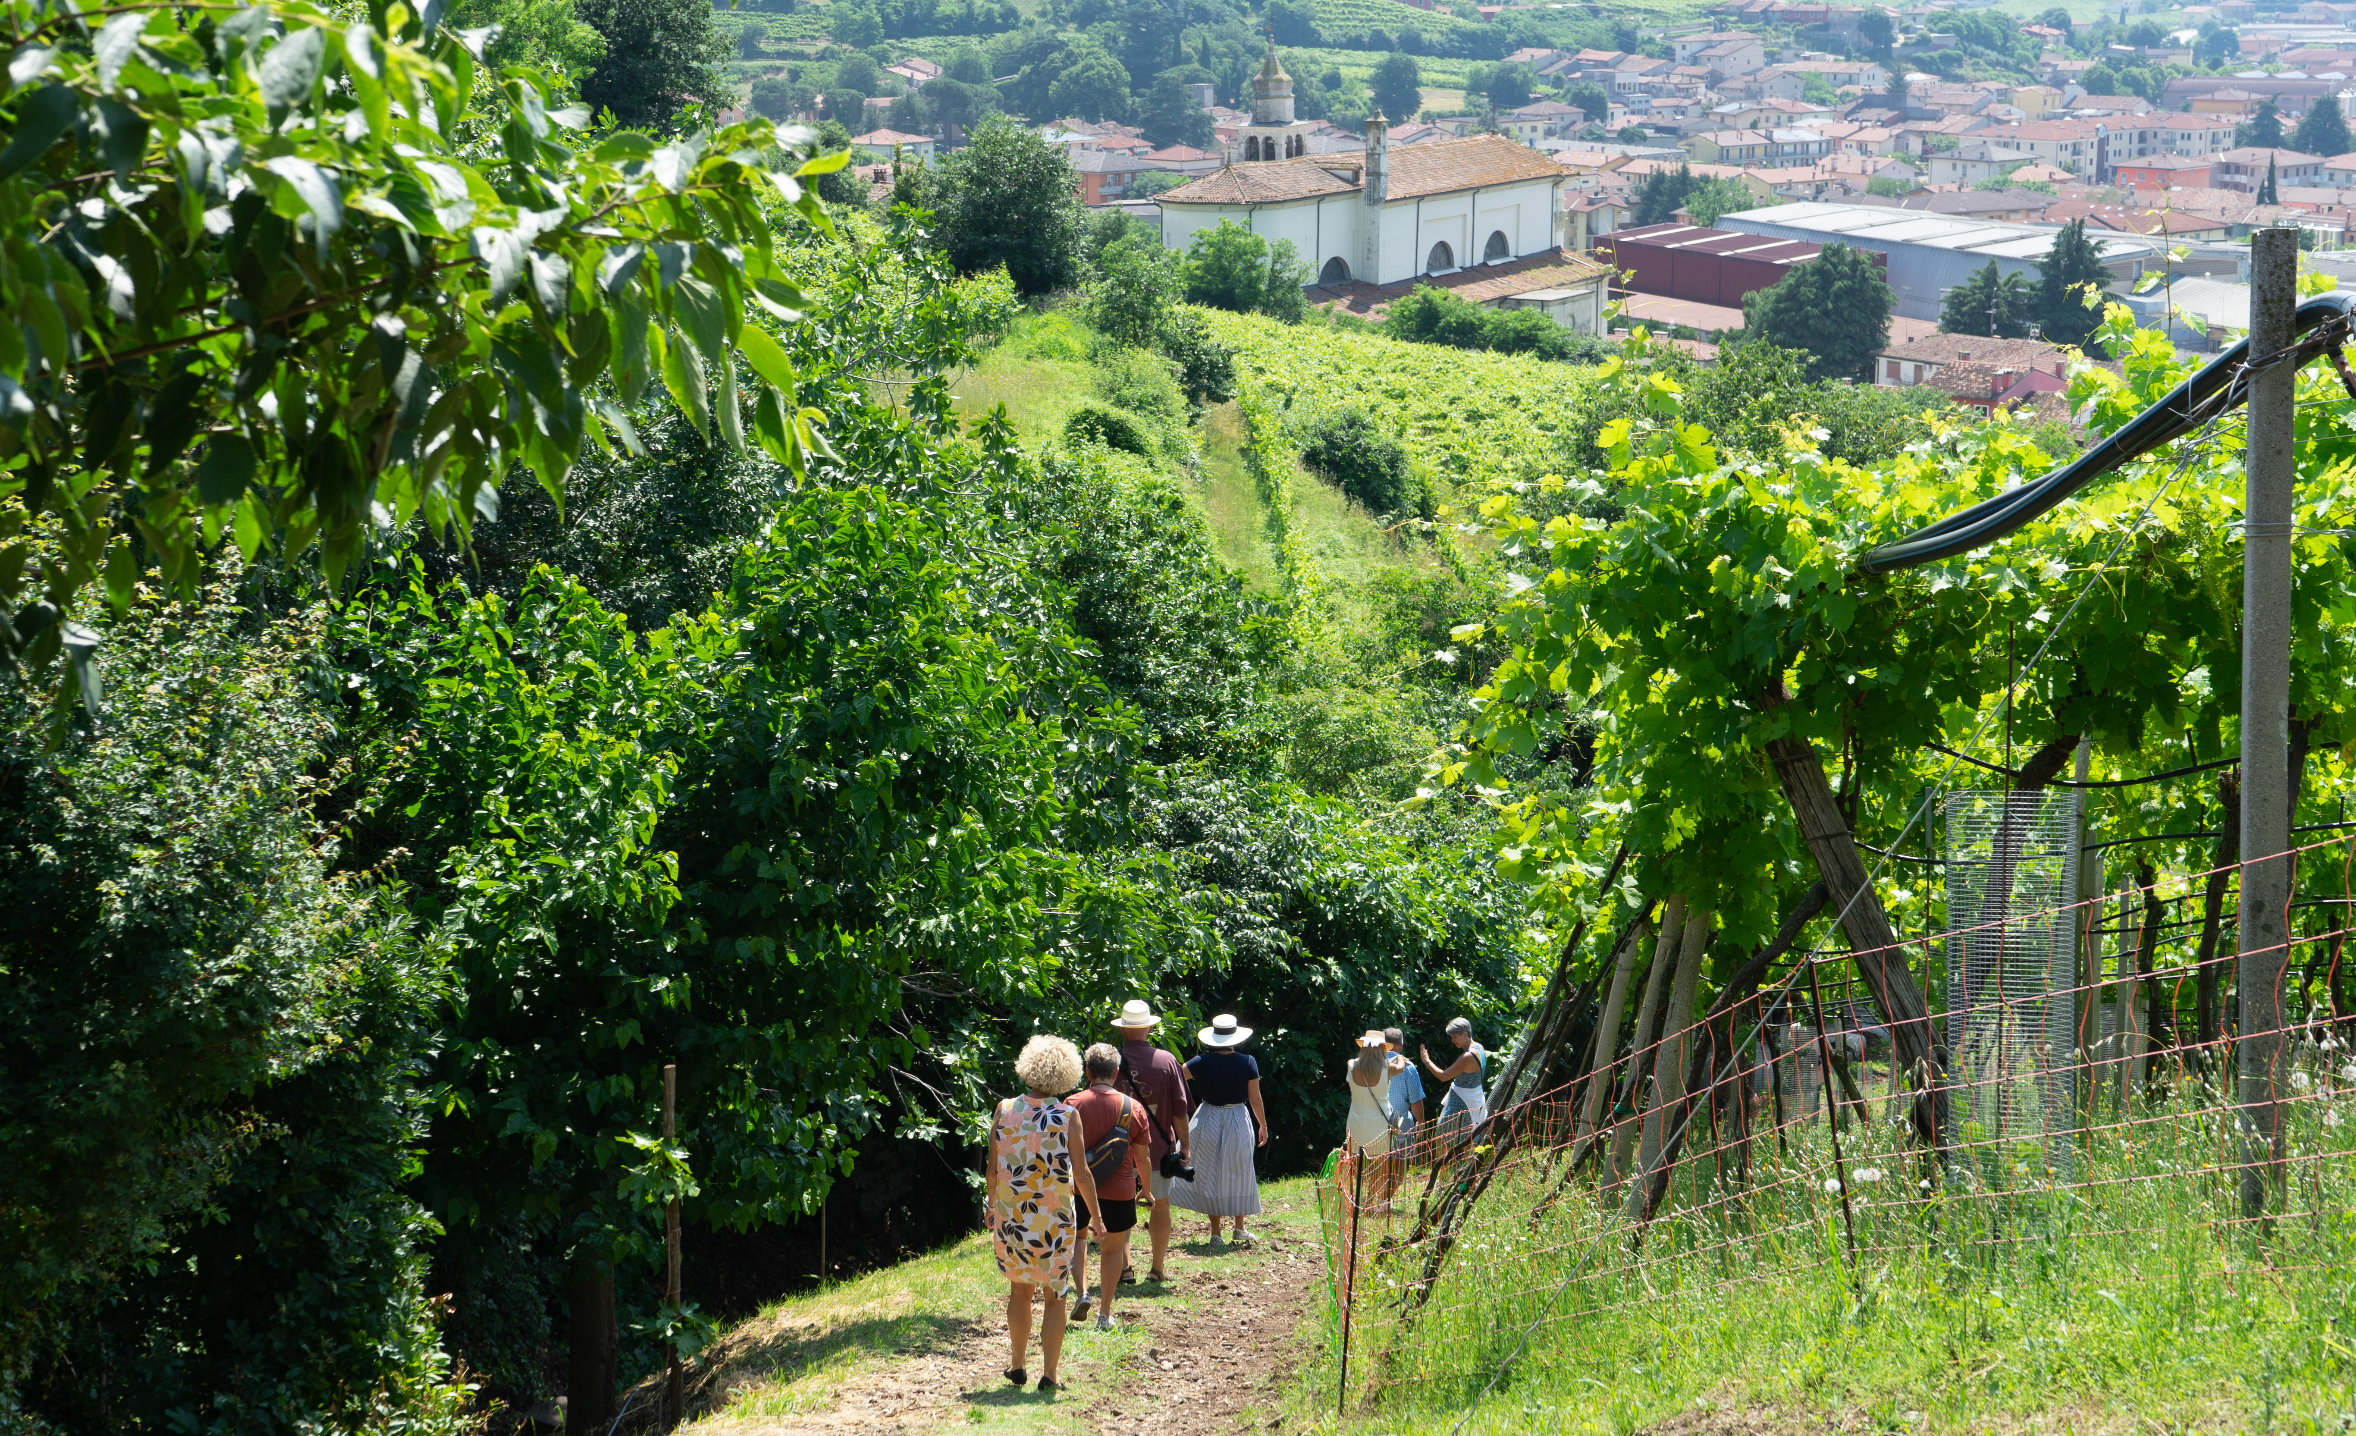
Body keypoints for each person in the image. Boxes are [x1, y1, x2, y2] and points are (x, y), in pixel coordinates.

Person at [988, 1034, 1098, 1392]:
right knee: (1056, 1296)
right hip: (1055, 1218)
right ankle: (1050, 1375)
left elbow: (992, 1169)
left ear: (1028, 1068)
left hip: (1013, 1214)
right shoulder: (1067, 1116)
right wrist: (1097, 1217)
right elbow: (1082, 1174)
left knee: (1020, 1291)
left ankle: (1018, 1365)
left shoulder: (1005, 1109)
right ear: (1067, 1074)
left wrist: (991, 1206)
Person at [1066, 1043, 1149, 1330]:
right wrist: (1146, 1189)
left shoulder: (1071, 1104)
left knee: (1078, 1239)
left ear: (1088, 1072)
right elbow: (1143, 1157)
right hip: (1119, 1192)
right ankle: (1104, 1314)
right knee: (1112, 1251)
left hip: (1077, 1189)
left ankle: (1082, 1293)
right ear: (1116, 1073)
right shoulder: (1133, 1108)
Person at [1170, 1014, 1270, 1247]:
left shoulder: (1202, 1061)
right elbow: (1255, 1099)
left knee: (1208, 1171)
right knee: (1240, 1169)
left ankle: (1216, 1233)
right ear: (1235, 1037)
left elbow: (1175, 1077)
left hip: (1207, 1117)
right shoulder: (1248, 1061)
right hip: (1237, 1117)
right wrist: (1263, 1125)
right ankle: (1239, 1227)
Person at [1111, 999, 1190, 1284]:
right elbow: (1179, 1110)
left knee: (1120, 1207)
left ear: (1122, 1030)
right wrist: (1185, 1146)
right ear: (1150, 1029)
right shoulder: (1167, 1061)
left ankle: (1124, 1267)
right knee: (1161, 1204)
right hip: (1157, 1151)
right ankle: (1157, 1269)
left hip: (1116, 1152)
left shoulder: (1109, 1062)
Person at [1420, 1016, 1487, 1156]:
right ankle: (1467, 1169)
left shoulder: (1468, 1056)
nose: (1452, 1041)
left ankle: (1444, 1169)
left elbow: (1443, 1076)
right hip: (1475, 1098)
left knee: (1441, 1137)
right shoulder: (1480, 1047)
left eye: (1455, 1036)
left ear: (1465, 1034)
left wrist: (1427, 1061)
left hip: (1463, 1101)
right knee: (1470, 1138)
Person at [1381, 1027, 1425, 1199]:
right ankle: (1385, 1198)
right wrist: (1421, 1122)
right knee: (1400, 1165)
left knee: (1377, 1164)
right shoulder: (1407, 1067)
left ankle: (1375, 1198)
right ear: (1401, 1045)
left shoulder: (1370, 1064)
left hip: (1375, 1123)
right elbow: (1415, 1101)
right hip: (1401, 1125)